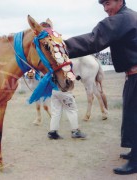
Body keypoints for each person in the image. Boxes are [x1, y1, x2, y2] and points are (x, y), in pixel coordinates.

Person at [64, 0, 137, 175]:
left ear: (120, 1)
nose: (106, 9)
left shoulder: (122, 19)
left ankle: (135, 161)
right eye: (103, 5)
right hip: (132, 74)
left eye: (108, 3)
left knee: (134, 116)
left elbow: (93, 40)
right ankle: (135, 151)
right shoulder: (130, 16)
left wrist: (60, 47)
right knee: (132, 114)